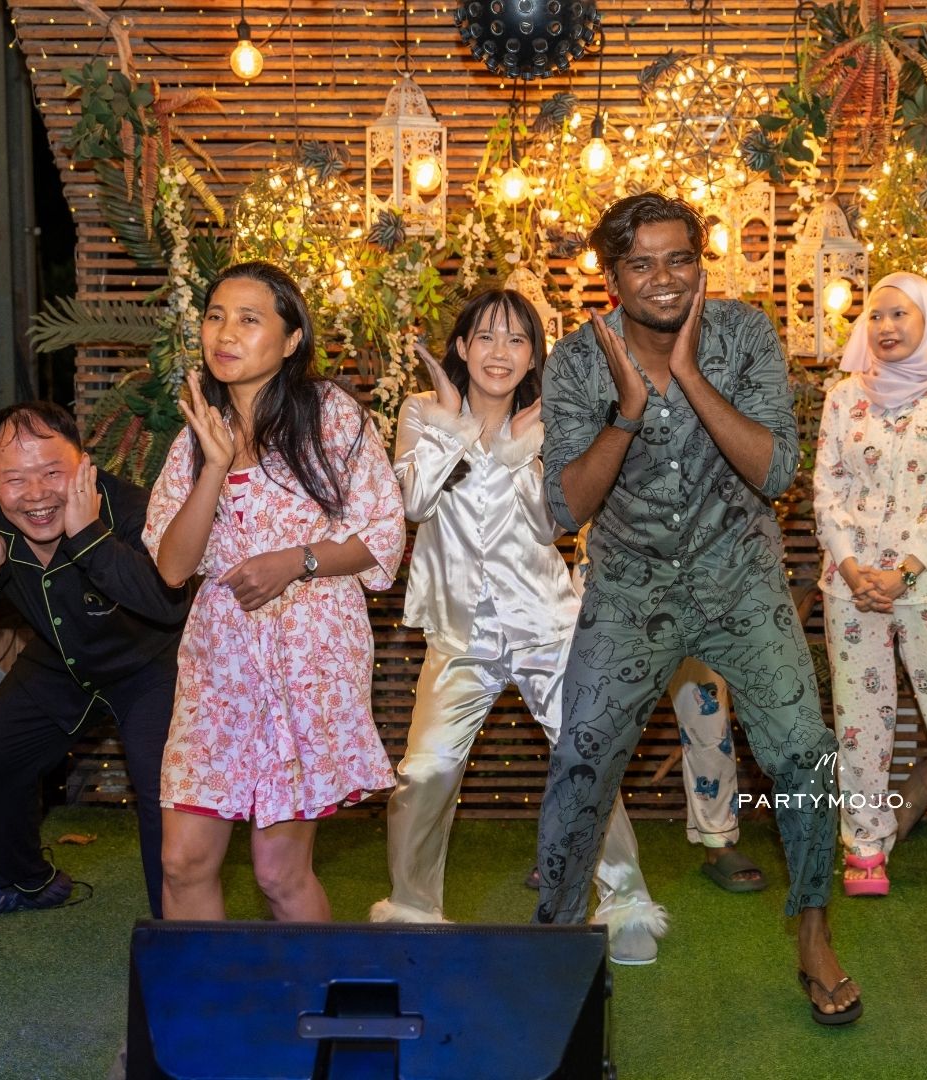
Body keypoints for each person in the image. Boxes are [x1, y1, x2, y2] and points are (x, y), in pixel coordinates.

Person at [535, 192, 861, 1024]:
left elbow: (775, 471)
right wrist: (629, 412)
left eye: (679, 258)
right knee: (581, 755)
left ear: (700, 265)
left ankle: (814, 932)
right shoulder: (577, 361)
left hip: (738, 577)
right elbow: (566, 508)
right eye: (641, 263)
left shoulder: (745, 335)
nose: (664, 278)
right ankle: (555, 945)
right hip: (631, 586)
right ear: (612, 278)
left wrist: (688, 375)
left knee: (805, 752)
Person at [369, 288, 669, 964]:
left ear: (534, 355)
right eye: (485, 336)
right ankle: (413, 908)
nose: (499, 352)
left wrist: (515, 447)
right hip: (459, 635)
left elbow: (549, 522)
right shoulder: (421, 411)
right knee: (424, 770)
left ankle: (624, 902)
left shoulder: (553, 421)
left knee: (586, 757)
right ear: (462, 346)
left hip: (545, 627)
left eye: (516, 339)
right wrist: (457, 428)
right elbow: (413, 503)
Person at [144, 260, 405, 921]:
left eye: (248, 319)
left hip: (308, 656)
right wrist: (214, 465)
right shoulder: (196, 435)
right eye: (215, 316)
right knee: (182, 862)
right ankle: (205, 992)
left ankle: (311, 992)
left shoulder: (331, 416)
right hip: (220, 662)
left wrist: (297, 561)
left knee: (279, 873)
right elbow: (173, 567)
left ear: (291, 341)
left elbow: (382, 532)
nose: (226, 333)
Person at [0, 401, 190, 917]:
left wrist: (89, 537)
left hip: (149, 663)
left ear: (85, 465)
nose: (37, 494)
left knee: (165, 793)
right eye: (15, 479)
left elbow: (168, 601)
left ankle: (175, 929)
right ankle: (25, 882)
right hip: (61, 658)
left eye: (52, 472)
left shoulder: (130, 507)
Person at [814, 270, 927, 899]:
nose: (886, 327)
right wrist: (850, 567)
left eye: (900, 314)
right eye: (876, 315)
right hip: (852, 588)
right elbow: (827, 488)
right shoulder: (844, 396)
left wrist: (904, 572)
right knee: (859, 721)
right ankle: (865, 845)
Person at [572, 523, 767, 891]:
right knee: (589, 716)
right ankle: (570, 840)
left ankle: (718, 840)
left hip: (695, 563)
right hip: (609, 558)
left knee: (707, 712)